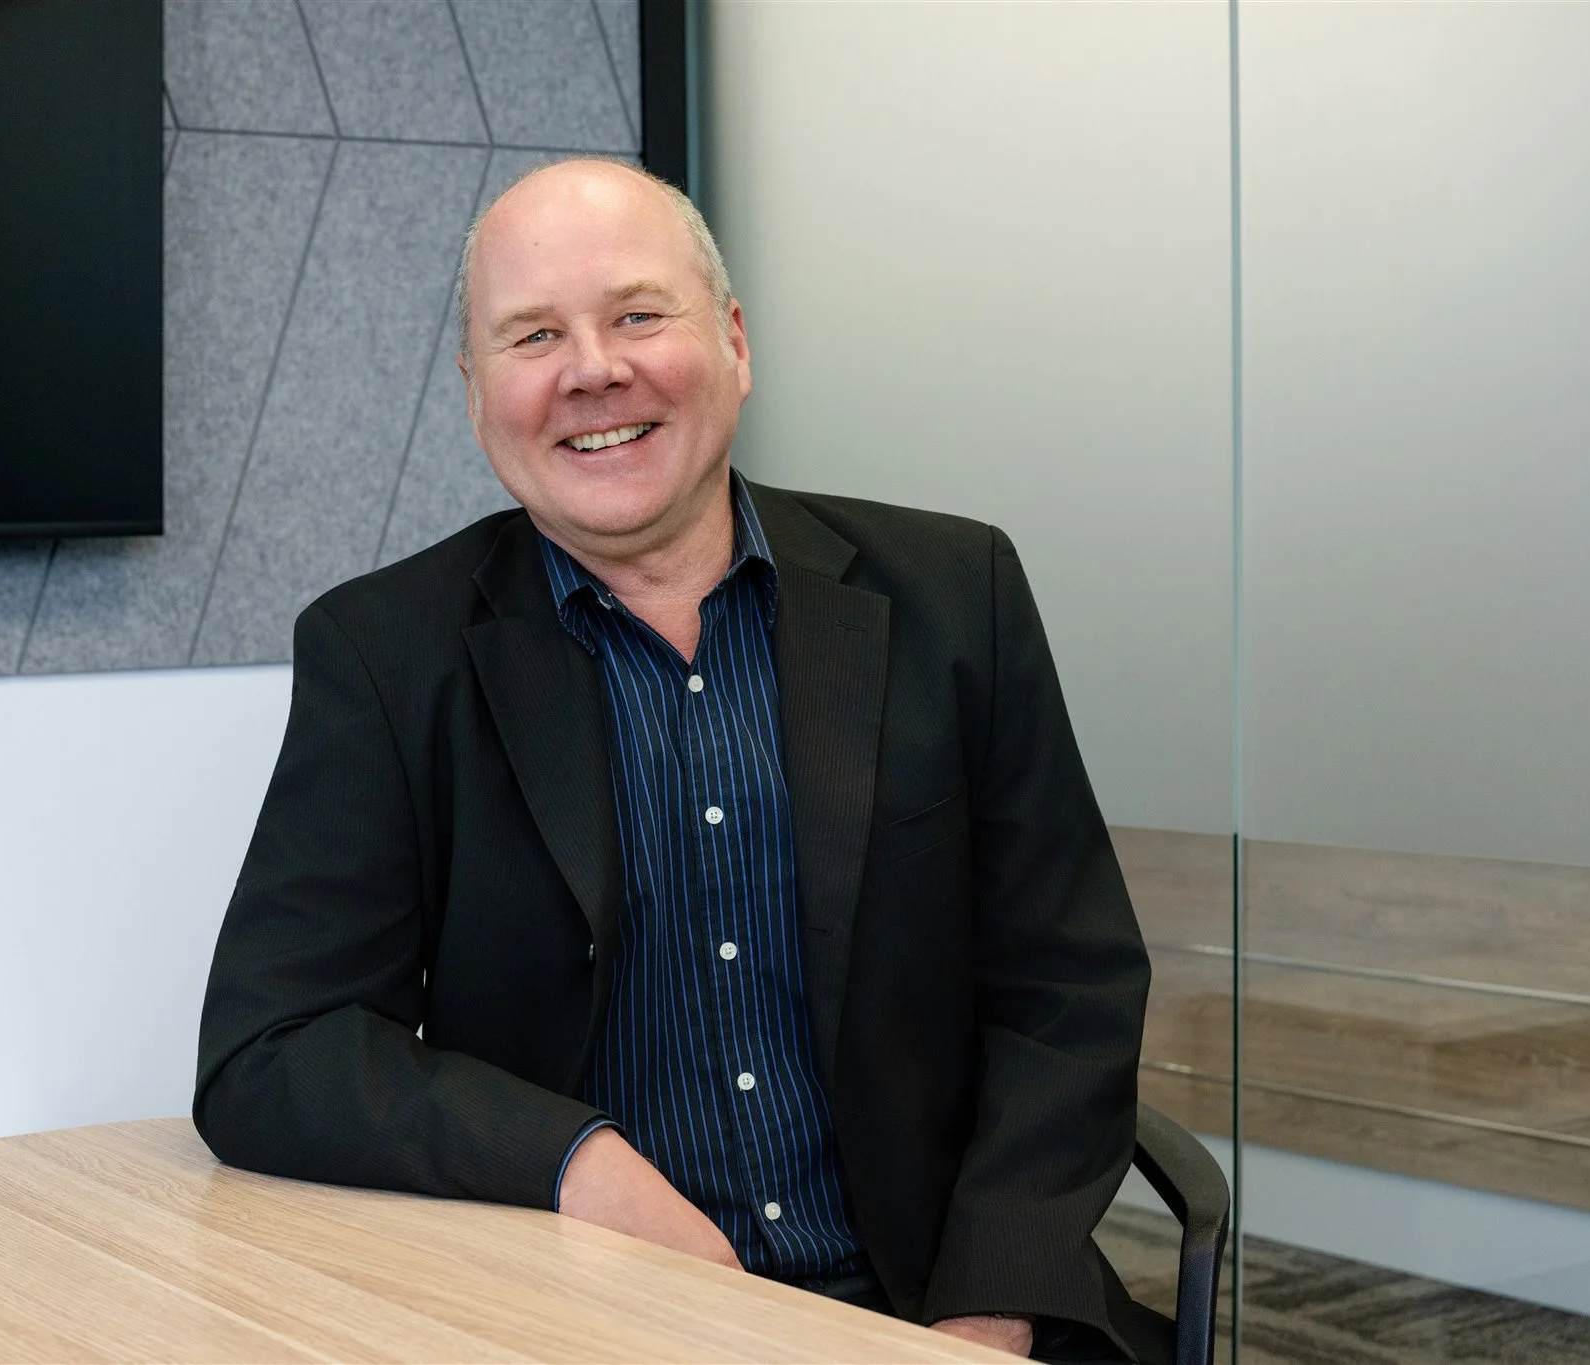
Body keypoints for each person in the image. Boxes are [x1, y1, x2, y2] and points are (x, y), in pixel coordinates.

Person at [195, 158, 1159, 1364]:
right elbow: (272, 1049)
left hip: (936, 1305)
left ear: (735, 343)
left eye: (637, 315)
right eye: (532, 334)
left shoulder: (953, 597)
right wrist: (569, 1160)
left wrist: (981, 1318)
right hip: (589, 1324)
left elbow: (1066, 993)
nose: (592, 368)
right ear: (475, 392)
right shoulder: (387, 653)